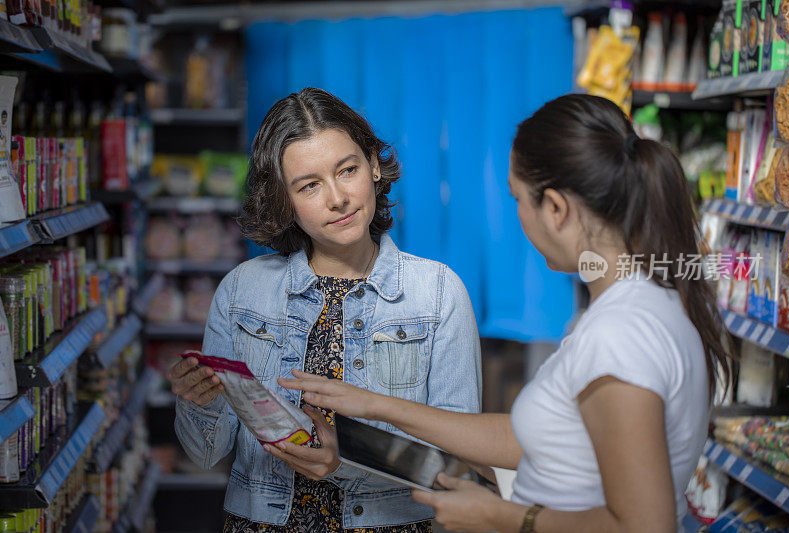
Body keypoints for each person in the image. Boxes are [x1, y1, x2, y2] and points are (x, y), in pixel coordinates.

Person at [281, 94, 731, 533]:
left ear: (555, 208)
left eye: (517, 199)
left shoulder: (619, 333)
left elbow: (644, 525)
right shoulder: (653, 300)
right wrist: (377, 405)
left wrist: (501, 518)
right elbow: (535, 441)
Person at [166, 87, 482, 532]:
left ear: (373, 165)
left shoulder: (436, 293)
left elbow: (456, 466)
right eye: (309, 185)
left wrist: (346, 463)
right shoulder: (243, 292)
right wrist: (196, 401)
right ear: (285, 200)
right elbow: (204, 453)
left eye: (347, 170)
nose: (338, 198)